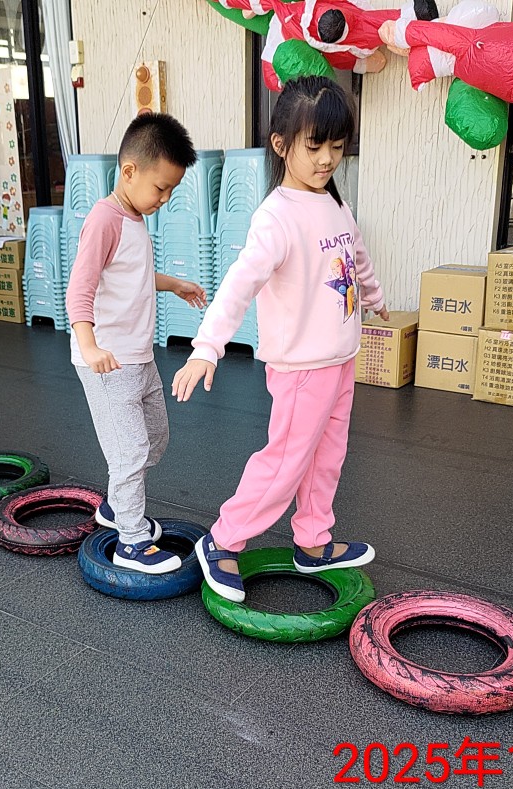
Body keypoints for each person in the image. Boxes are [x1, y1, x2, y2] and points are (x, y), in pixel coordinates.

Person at [171, 75, 387, 602]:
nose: (327, 159)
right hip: (300, 369)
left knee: (326, 458)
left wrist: (377, 298)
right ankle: (223, 541)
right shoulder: (276, 217)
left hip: (340, 359)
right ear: (281, 144)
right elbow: (239, 284)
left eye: (337, 146)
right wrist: (207, 347)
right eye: (314, 146)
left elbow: (356, 258)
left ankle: (313, 542)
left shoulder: (335, 205)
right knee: (284, 463)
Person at [66, 112, 204, 574]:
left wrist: (174, 284)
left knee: (155, 440)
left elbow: (132, 274)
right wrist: (89, 346)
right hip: (107, 362)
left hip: (139, 357)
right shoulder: (103, 220)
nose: (164, 199)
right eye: (160, 188)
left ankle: (115, 506)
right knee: (129, 452)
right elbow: (80, 287)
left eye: (171, 190)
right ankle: (130, 541)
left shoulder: (134, 217)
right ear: (129, 171)